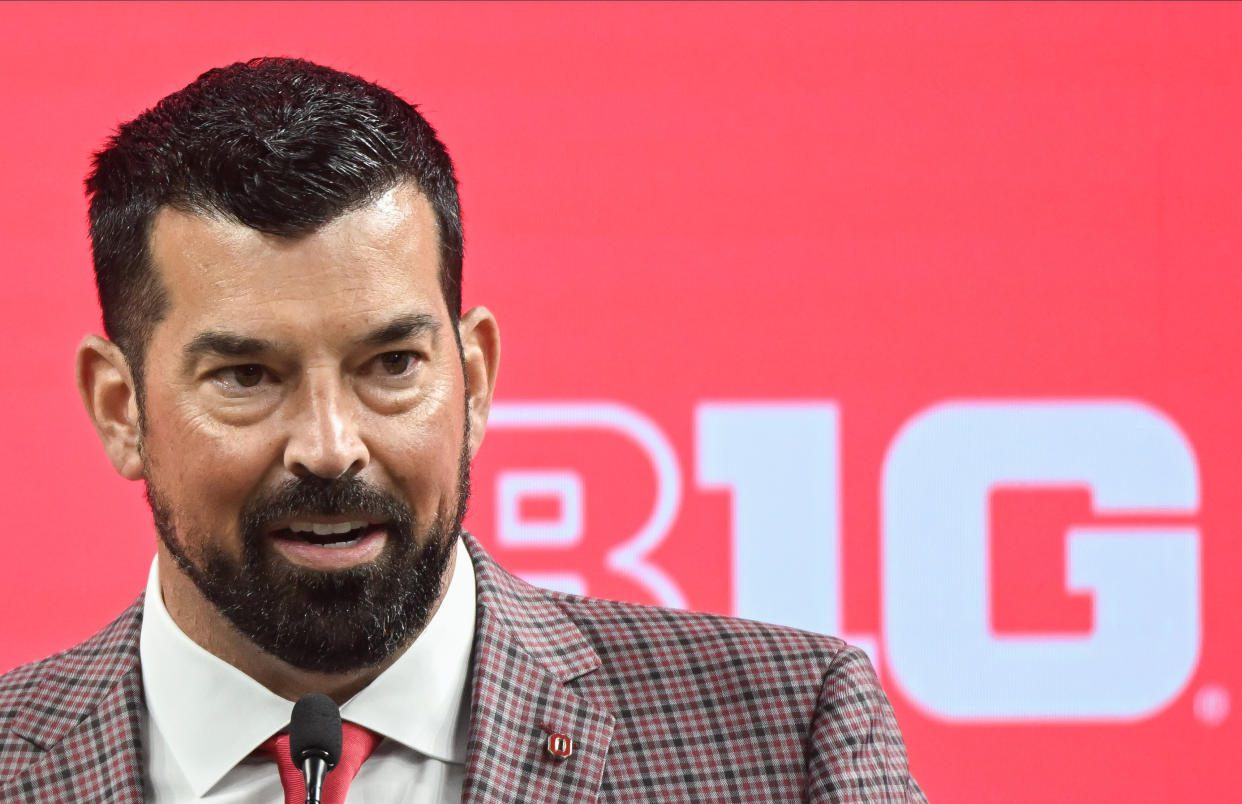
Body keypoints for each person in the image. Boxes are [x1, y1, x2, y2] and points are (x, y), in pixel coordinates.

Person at [0, 58, 925, 803]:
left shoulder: (783, 739)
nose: (330, 446)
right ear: (120, 408)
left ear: (473, 379)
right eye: (247, 376)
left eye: (391, 365)